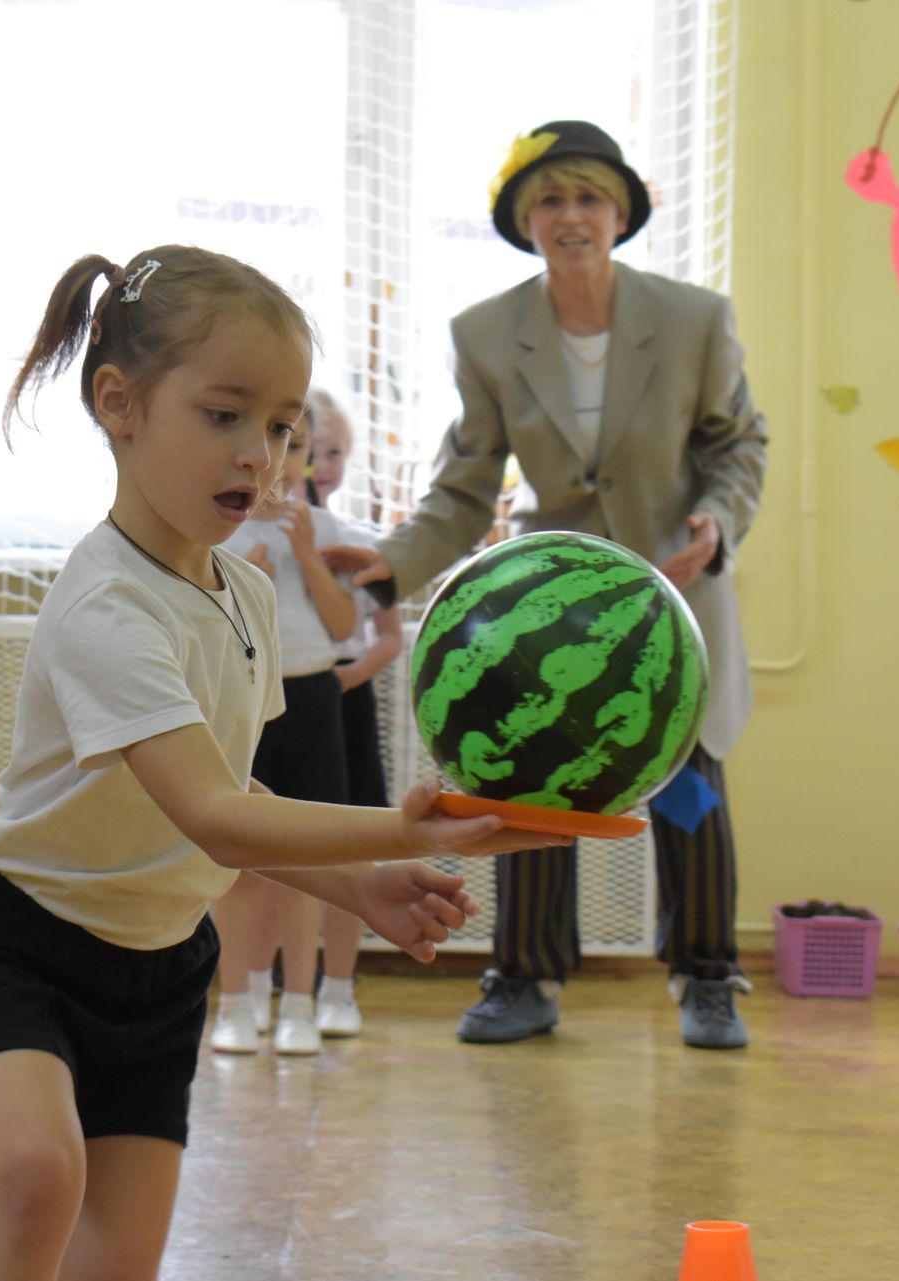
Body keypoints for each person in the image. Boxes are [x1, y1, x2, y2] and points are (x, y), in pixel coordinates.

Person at [0, 245, 543, 1281]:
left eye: (283, 425)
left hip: (161, 972)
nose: (263, 453)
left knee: (118, 1257)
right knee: (34, 1174)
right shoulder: (106, 606)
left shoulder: (245, 596)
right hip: (20, 947)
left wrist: (363, 884)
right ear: (117, 402)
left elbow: (232, 798)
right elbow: (213, 815)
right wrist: (406, 825)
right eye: (225, 415)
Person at [324, 121, 768, 1050]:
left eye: (589, 198)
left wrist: (717, 523)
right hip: (546, 611)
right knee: (529, 785)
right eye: (552, 200)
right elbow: (465, 484)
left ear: (620, 214)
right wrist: (392, 564)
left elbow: (737, 446)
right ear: (527, 220)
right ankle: (521, 975)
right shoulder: (488, 333)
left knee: (691, 788)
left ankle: (708, 976)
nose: (572, 217)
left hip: (671, 601)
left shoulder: (693, 320)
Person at [212, 400, 357, 1056]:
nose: (287, 460)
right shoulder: (220, 534)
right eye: (279, 442)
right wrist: (248, 589)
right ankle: (237, 1001)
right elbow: (212, 637)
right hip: (242, 704)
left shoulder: (328, 530)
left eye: (299, 446)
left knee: (307, 861)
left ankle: (301, 1001)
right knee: (240, 866)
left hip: (312, 701)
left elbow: (344, 626)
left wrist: (308, 554)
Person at [301, 389, 404, 1038]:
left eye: (336, 451)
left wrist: (346, 678)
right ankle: (272, 988)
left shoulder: (359, 544)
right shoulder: (250, 538)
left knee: (352, 855)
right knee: (277, 855)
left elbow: (390, 636)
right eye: (311, 450)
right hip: (282, 707)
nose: (324, 464)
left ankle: (339, 987)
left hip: (344, 709)